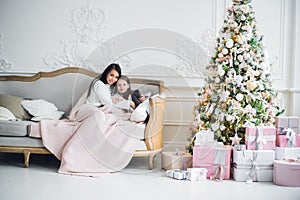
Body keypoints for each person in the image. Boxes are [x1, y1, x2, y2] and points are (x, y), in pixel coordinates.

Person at [32, 63, 145, 176]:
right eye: (111, 75)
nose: (113, 79)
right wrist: (127, 103)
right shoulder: (98, 84)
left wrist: (132, 100)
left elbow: (117, 98)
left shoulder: (108, 87)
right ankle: (73, 152)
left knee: (108, 116)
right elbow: (108, 103)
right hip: (86, 109)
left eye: (116, 77)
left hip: (97, 109)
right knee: (100, 116)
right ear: (106, 73)